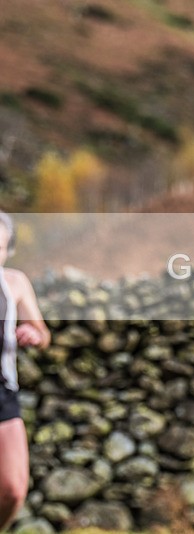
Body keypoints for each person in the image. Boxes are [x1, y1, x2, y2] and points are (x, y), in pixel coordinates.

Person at [0, 211, 50, 532]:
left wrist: (35, 334)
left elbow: (43, 333)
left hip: (3, 392)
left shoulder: (14, 282)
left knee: (14, 489)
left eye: (0, 247)